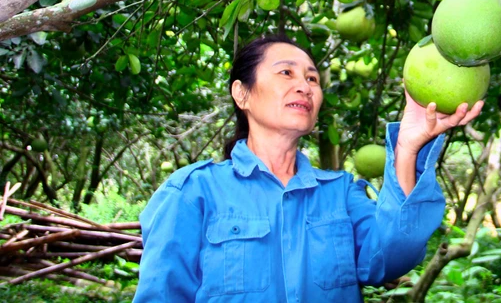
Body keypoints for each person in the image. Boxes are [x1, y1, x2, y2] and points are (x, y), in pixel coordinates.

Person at [134, 34, 483, 302]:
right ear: (241, 94)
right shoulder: (192, 193)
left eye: (313, 79)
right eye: (286, 72)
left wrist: (407, 148)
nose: (304, 85)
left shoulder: (340, 192)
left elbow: (392, 258)